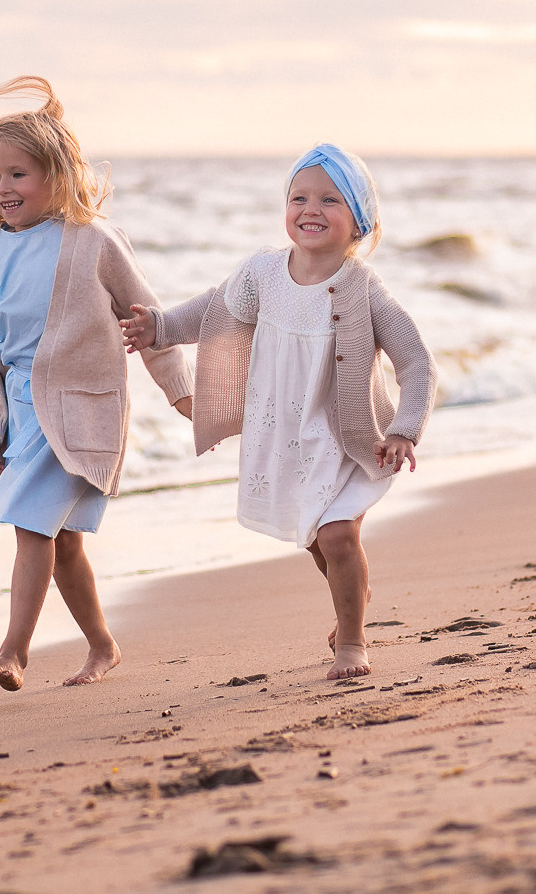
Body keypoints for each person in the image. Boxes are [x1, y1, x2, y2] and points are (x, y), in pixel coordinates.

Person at [120, 144, 435, 680]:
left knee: (336, 534)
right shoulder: (264, 273)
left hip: (350, 441)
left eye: (330, 200)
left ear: (359, 221)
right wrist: (162, 327)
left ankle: (351, 643)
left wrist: (405, 429)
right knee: (316, 535)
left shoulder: (363, 289)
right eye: (299, 197)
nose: (311, 209)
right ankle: (349, 598)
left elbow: (418, 362)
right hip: (285, 436)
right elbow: (214, 310)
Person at [0, 76, 192, 690]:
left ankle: (13, 652)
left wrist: (183, 395)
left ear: (57, 176)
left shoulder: (94, 241)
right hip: (25, 415)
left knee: (30, 526)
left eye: (17, 175)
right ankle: (103, 646)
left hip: (80, 410)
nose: (2, 189)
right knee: (64, 543)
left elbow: (149, 322)